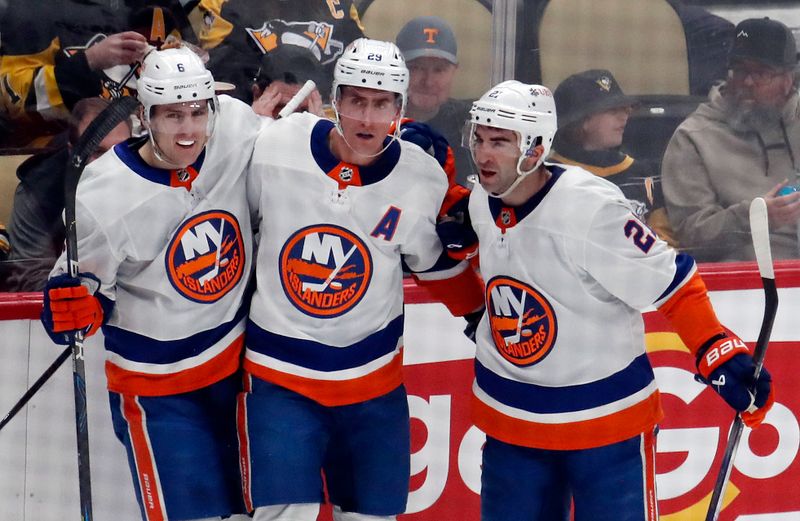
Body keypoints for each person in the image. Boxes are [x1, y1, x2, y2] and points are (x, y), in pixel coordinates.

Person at [443, 80, 774, 520]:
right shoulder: (482, 202)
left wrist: (715, 348)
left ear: (536, 148)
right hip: (512, 422)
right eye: (480, 139)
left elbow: (670, 281)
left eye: (500, 142)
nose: (484, 154)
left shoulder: (590, 210)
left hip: (604, 426)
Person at [241, 38, 484, 521]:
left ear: (401, 108)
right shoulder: (272, 148)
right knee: (286, 515)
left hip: (372, 387)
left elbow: (435, 263)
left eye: (381, 104)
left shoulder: (421, 176)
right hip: (281, 378)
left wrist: (477, 312)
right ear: (335, 100)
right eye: (356, 101)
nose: (367, 119)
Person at [40, 45, 263, 521]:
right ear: (144, 115)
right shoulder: (103, 195)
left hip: (239, 371)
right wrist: (73, 307)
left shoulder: (237, 131)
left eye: (197, 112)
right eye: (172, 115)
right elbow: (70, 294)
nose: (187, 129)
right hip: (159, 391)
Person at [662, 17, 800, 262]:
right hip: (743, 285)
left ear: (789, 80)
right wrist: (756, 218)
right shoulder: (693, 137)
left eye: (761, 73)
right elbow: (691, 236)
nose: (747, 82)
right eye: (740, 70)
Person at [0, 1, 193, 147]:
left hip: (153, 150)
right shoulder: (31, 9)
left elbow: (192, 69)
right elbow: (11, 98)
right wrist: (88, 61)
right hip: (66, 158)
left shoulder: (158, 6)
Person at [3, 97, 132, 292]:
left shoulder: (153, 181)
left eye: (121, 150)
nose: (112, 163)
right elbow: (33, 281)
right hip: (67, 311)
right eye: (97, 151)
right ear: (73, 151)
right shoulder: (38, 193)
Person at [551, 69, 677, 246]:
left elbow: (664, 242)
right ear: (581, 120)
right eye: (612, 111)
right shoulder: (546, 178)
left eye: (625, 109)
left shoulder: (643, 173)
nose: (624, 116)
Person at [193, 0, 365, 104]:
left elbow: (362, 67)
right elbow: (221, 82)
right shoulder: (225, 5)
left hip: (325, 120)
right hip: (258, 118)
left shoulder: (340, 6)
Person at [396, 15, 475, 187]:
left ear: (455, 71)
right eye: (416, 67)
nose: (428, 81)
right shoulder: (372, 124)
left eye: (439, 70)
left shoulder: (475, 126)